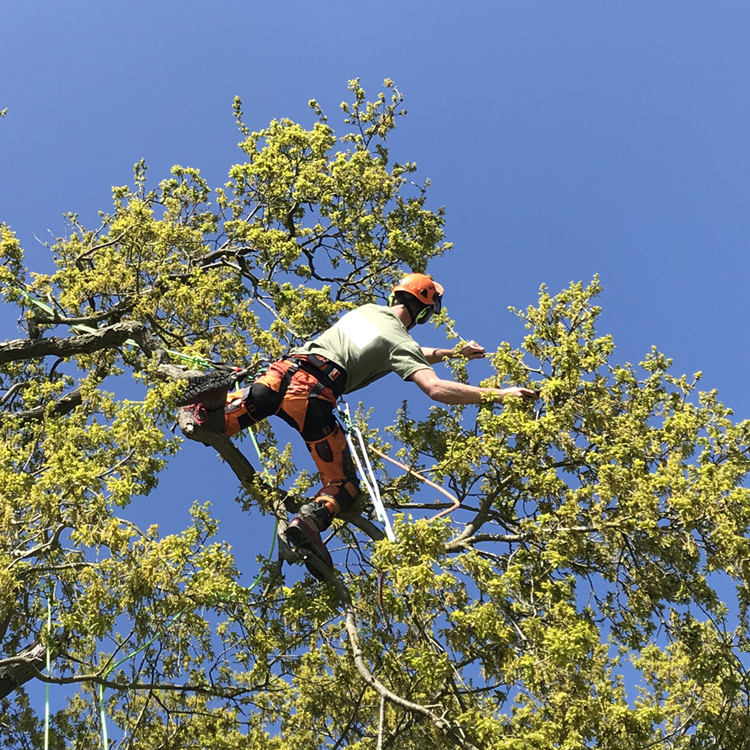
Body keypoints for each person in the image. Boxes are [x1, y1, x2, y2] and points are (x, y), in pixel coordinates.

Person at [177, 273, 537, 579]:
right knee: (343, 485)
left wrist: (453, 353)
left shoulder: (366, 313)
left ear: (397, 295)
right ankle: (308, 524)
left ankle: (208, 408)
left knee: (227, 422)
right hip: (313, 395)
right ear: (426, 310)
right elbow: (435, 387)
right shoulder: (399, 340)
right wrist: (499, 394)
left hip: (281, 373)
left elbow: (407, 348)